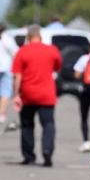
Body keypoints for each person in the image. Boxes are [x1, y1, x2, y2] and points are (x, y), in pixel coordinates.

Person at [11, 24, 62, 167]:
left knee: (27, 125)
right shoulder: (52, 50)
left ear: (28, 37)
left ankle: (29, 156)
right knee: (48, 124)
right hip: (47, 94)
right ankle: (47, 150)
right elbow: (57, 67)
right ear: (40, 36)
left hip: (27, 94)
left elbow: (17, 76)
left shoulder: (22, 51)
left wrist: (16, 95)